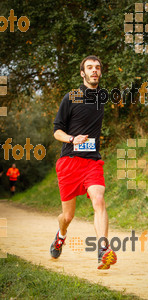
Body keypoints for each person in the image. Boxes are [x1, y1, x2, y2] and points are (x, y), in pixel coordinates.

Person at [50, 55, 117, 270]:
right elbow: (56, 131)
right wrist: (72, 138)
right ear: (82, 73)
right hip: (69, 161)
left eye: (97, 67)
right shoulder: (70, 98)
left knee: (98, 200)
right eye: (89, 67)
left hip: (92, 162)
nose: (94, 70)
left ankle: (102, 250)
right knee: (67, 216)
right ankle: (61, 235)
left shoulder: (103, 96)